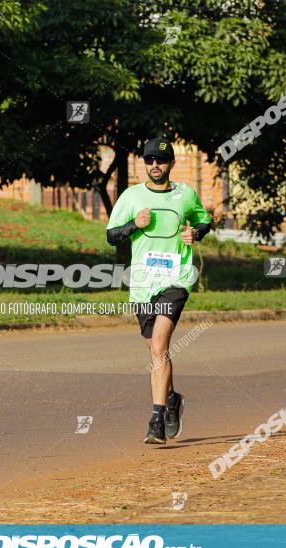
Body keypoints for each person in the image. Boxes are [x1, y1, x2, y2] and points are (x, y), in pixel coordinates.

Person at [105, 137, 212, 444]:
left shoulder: (185, 195)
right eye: (149, 160)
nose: (155, 165)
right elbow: (112, 235)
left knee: (159, 347)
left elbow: (205, 220)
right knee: (156, 348)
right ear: (144, 163)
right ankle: (173, 399)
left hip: (176, 281)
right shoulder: (131, 196)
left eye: (161, 161)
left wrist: (195, 232)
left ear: (171, 165)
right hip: (142, 284)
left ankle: (156, 419)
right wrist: (134, 225)